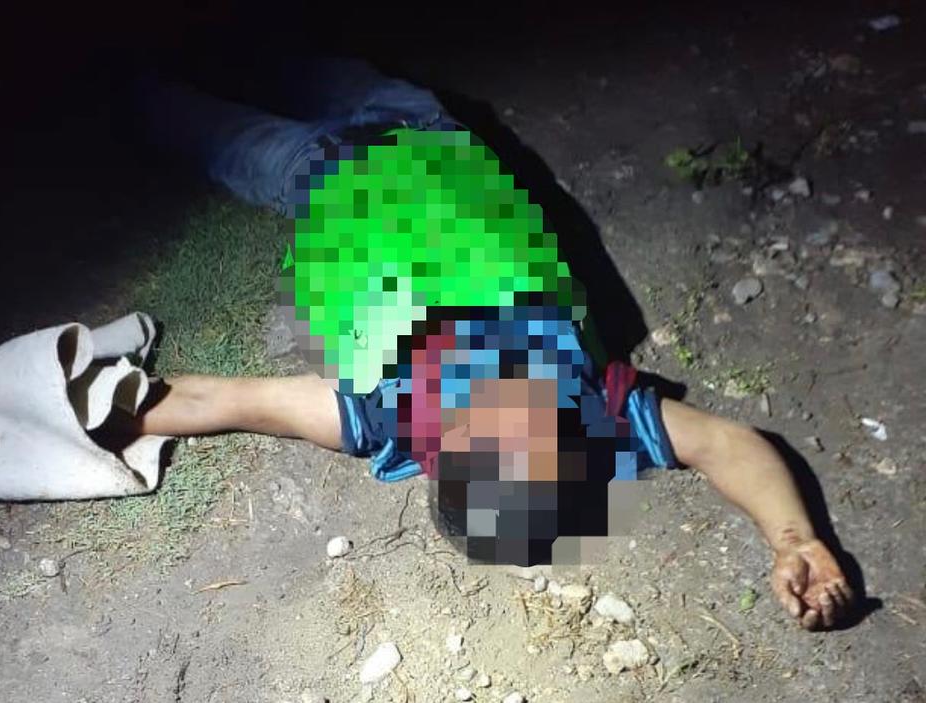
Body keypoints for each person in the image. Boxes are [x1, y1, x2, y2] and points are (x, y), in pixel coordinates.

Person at [131, 57, 856, 630]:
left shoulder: (382, 417)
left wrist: (108, 407)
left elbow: (224, 400)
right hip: (428, 129)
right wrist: (794, 538)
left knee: (167, 112)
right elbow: (727, 444)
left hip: (314, 171)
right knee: (275, 56)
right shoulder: (596, 410)